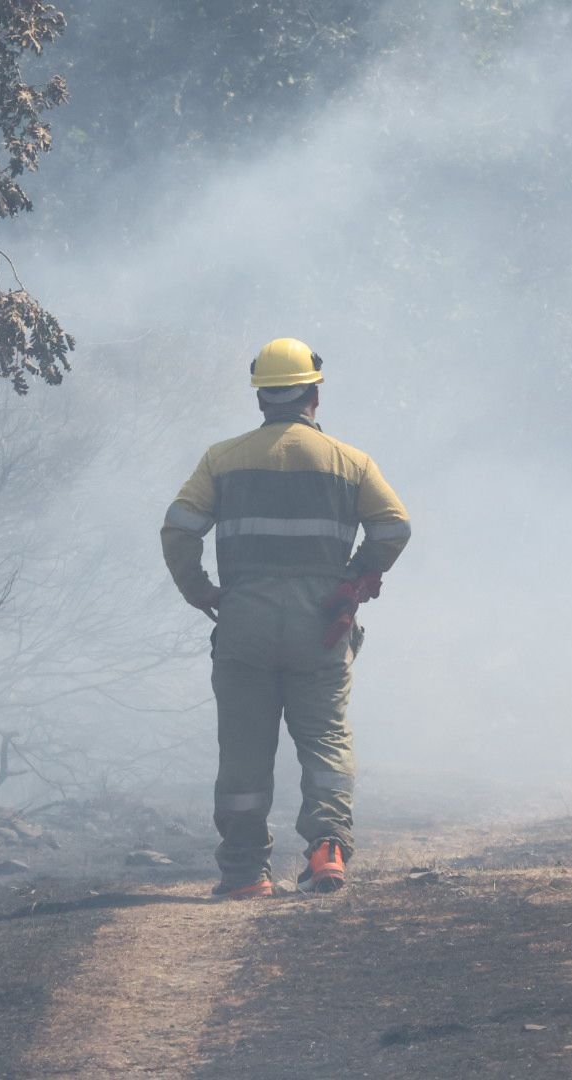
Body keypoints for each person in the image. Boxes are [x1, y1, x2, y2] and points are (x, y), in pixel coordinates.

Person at [160, 338, 411, 898]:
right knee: (324, 738)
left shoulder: (221, 459)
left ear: (260, 399)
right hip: (320, 627)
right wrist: (358, 575)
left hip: (244, 624)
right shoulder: (351, 462)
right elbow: (394, 527)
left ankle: (247, 873)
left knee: (244, 750)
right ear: (314, 393)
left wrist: (199, 590)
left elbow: (178, 529)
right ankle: (327, 851)